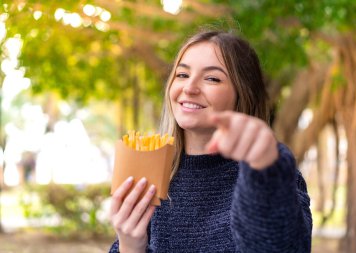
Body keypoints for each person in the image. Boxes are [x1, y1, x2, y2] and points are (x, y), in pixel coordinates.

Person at [109, 29, 312, 253]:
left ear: (242, 94)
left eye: (212, 78)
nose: (189, 88)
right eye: (182, 75)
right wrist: (130, 246)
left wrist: (264, 167)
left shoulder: (271, 177)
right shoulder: (152, 175)